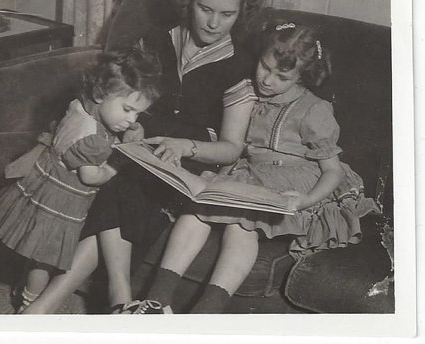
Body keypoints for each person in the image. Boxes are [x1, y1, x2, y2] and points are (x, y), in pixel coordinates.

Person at [22, 0, 265, 314]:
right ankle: (116, 304)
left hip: (192, 163)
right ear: (189, 0)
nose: (213, 23)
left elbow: (231, 149)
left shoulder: (240, 65)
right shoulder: (155, 39)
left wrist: (185, 146)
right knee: (116, 182)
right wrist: (133, 128)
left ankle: (61, 307)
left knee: (127, 189)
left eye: (227, 14)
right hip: (137, 145)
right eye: (204, 8)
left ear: (242, 11)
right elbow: (123, 94)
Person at [139, 23, 380, 313]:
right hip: (250, 172)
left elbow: (333, 171)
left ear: (301, 77)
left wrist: (305, 200)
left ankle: (207, 311)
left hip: (297, 179)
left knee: (242, 227)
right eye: (264, 67)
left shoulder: (314, 111)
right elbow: (234, 145)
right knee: (195, 210)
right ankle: (156, 300)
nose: (267, 80)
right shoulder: (248, 94)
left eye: (282, 77)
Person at [0, 47, 162, 313]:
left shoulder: (81, 109)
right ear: (101, 94)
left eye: (138, 114)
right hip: (61, 203)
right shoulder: (91, 140)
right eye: (127, 110)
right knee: (43, 260)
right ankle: (30, 306)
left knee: (35, 252)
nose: (131, 120)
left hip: (44, 187)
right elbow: (92, 177)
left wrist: (122, 129)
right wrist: (121, 159)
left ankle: (25, 291)